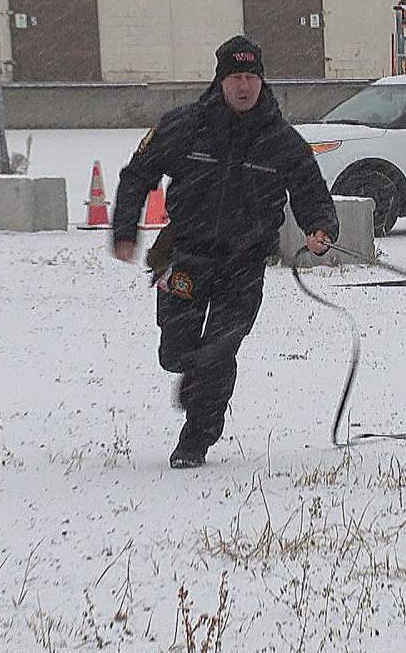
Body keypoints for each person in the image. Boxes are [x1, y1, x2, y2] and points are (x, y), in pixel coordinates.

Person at [111, 35, 338, 469]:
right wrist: (125, 228)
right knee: (175, 352)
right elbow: (139, 173)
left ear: (261, 81)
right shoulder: (185, 125)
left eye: (251, 77)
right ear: (220, 81)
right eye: (236, 77)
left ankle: (196, 439)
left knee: (219, 351)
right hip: (185, 256)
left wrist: (321, 227)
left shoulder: (281, 139)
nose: (244, 86)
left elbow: (310, 190)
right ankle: (191, 373)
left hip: (245, 263)